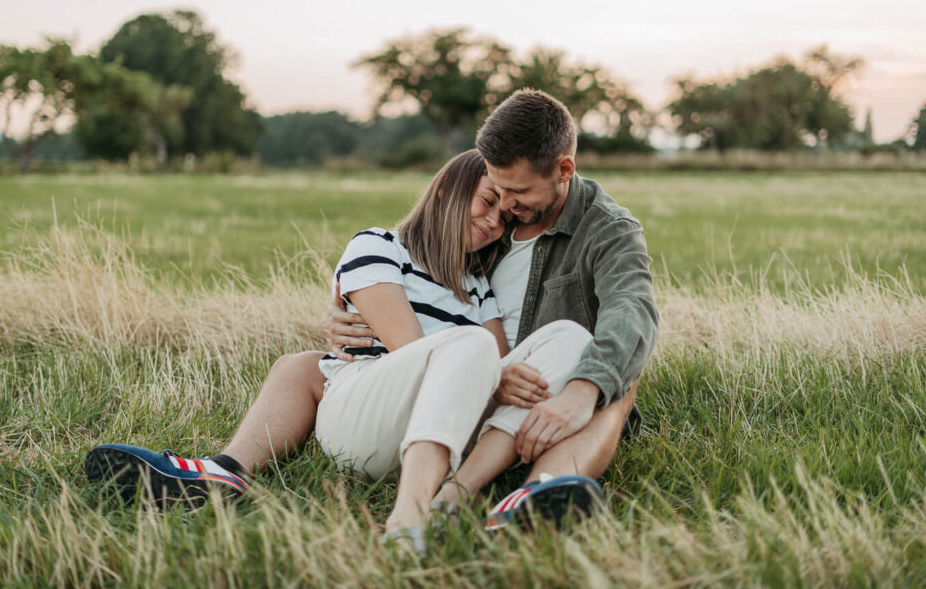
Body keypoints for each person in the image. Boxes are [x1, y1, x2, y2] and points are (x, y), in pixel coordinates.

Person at [87, 88, 659, 531]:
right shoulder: (411, 250)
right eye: (492, 194)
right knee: (305, 363)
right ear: (449, 191)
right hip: (438, 391)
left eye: (514, 197)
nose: (503, 212)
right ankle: (226, 471)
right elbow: (419, 329)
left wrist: (581, 387)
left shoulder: (601, 232)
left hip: (529, 398)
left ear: (563, 170)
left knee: (601, 363)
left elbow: (632, 315)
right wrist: (356, 326)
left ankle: (531, 491)